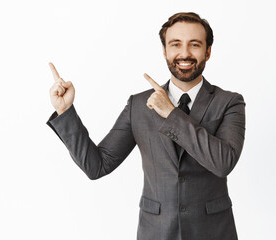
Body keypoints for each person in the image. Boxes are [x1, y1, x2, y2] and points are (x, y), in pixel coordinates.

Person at [47, 12, 245, 240]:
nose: (185, 53)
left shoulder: (230, 102)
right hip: (156, 231)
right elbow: (97, 166)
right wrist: (65, 111)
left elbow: (223, 163)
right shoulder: (138, 105)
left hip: (213, 232)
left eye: (195, 44)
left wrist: (170, 113)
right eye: (175, 44)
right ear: (164, 51)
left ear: (208, 51)